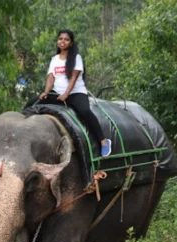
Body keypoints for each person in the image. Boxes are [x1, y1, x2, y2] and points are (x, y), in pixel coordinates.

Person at [25, 29, 112, 157]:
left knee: (85, 112)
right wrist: (46, 92)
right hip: (57, 93)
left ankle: (103, 142)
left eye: (66, 39)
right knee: (32, 103)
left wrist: (66, 94)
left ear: (71, 43)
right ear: (57, 41)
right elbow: (51, 78)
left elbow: (73, 78)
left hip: (75, 93)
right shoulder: (54, 59)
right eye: (60, 39)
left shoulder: (76, 58)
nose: (63, 41)